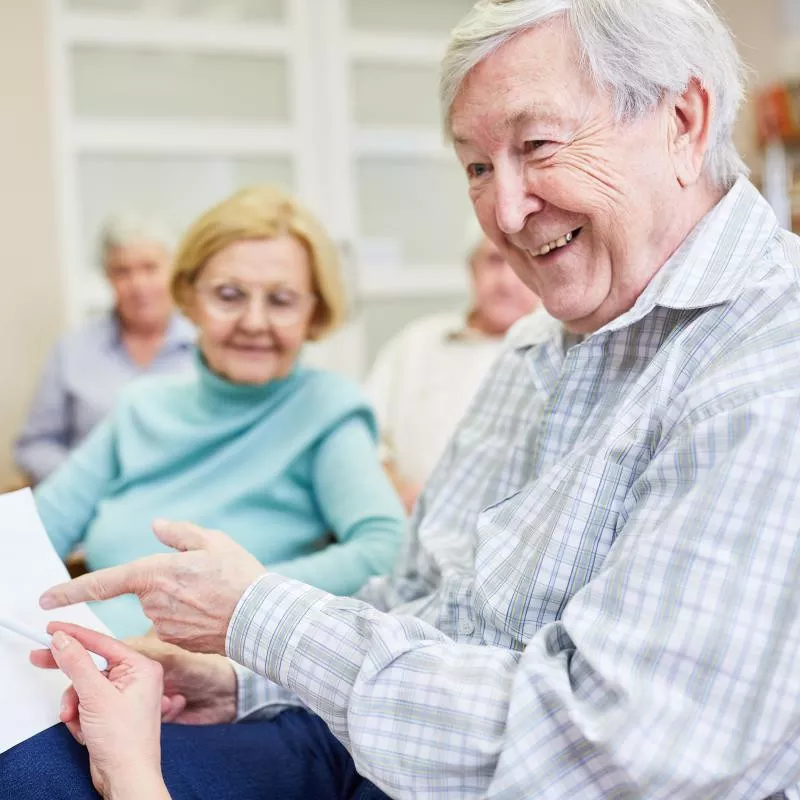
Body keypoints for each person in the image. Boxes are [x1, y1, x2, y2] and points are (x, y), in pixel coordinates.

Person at [3, 0, 800, 798]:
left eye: (538, 146)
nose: (505, 214)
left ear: (685, 122)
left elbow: (609, 755)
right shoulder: (537, 348)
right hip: (361, 742)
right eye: (478, 168)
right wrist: (242, 678)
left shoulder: (768, 369)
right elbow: (422, 601)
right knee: (28, 765)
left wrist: (257, 614)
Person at [31, 185, 405, 638]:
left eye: (282, 300)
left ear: (314, 311)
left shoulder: (327, 411)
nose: (253, 322)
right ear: (188, 298)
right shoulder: (141, 405)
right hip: (85, 653)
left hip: (219, 675)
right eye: (229, 295)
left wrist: (239, 596)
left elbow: (386, 548)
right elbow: (32, 533)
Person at [364, 228, 543, 511]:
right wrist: (399, 495)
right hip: (405, 526)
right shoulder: (417, 343)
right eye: (495, 260)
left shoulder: (561, 353)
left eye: (523, 260)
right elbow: (363, 439)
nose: (507, 281)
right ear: (471, 269)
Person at [14, 215, 195, 485]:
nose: (138, 285)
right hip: (88, 503)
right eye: (123, 271)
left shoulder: (208, 349)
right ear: (107, 278)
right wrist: (87, 481)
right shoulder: (72, 350)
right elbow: (34, 446)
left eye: (150, 268)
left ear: (174, 272)